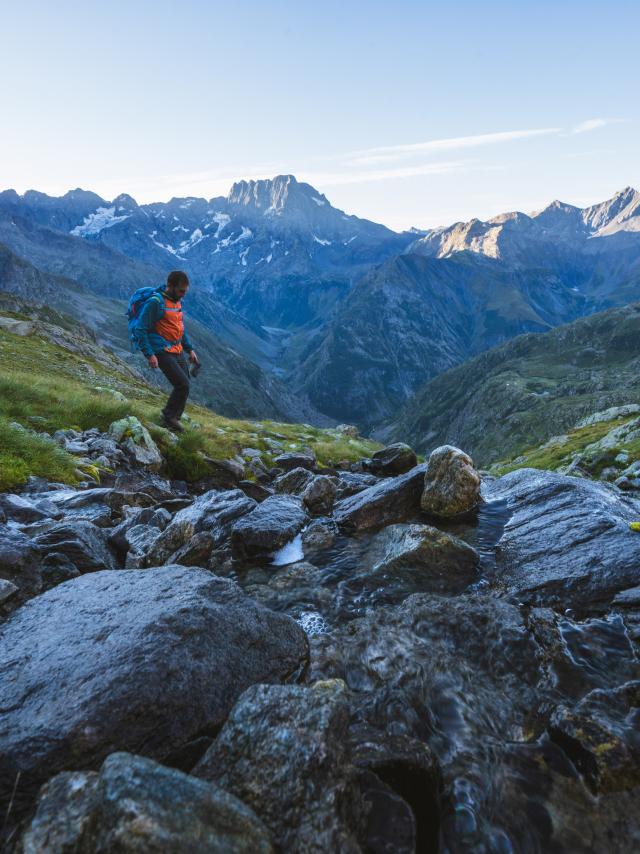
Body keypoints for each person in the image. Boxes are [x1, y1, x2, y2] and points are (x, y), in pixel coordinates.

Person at [136, 270, 199, 432]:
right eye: (181, 291)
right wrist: (149, 354)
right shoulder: (155, 302)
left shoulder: (176, 301)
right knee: (182, 384)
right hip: (161, 350)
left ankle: (173, 419)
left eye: (185, 291)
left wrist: (189, 349)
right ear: (170, 286)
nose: (183, 295)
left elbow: (180, 329)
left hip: (176, 349)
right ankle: (169, 417)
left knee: (185, 383)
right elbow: (140, 329)